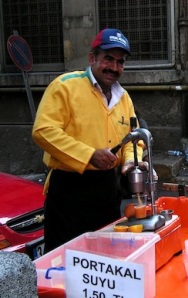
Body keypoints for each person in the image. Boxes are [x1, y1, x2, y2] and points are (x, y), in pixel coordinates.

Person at [32, 28, 146, 252]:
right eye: (108, 59)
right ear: (92, 58)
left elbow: (134, 139)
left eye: (120, 62)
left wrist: (132, 161)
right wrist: (89, 155)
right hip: (69, 190)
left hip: (107, 191)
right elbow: (43, 131)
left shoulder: (124, 98)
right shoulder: (65, 86)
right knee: (67, 261)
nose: (114, 68)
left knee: (104, 257)